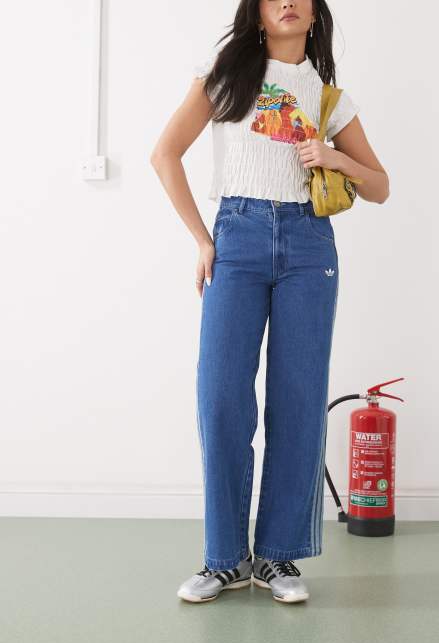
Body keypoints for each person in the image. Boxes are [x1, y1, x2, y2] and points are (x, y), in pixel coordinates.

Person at [150, 0, 389, 604]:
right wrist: (204, 240)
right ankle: (224, 559)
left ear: (314, 15)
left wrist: (334, 156)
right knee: (221, 397)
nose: (287, 1)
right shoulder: (225, 75)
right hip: (238, 237)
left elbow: (380, 186)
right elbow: (164, 154)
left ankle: (277, 557)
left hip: (310, 245)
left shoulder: (328, 97)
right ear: (256, 14)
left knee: (299, 401)